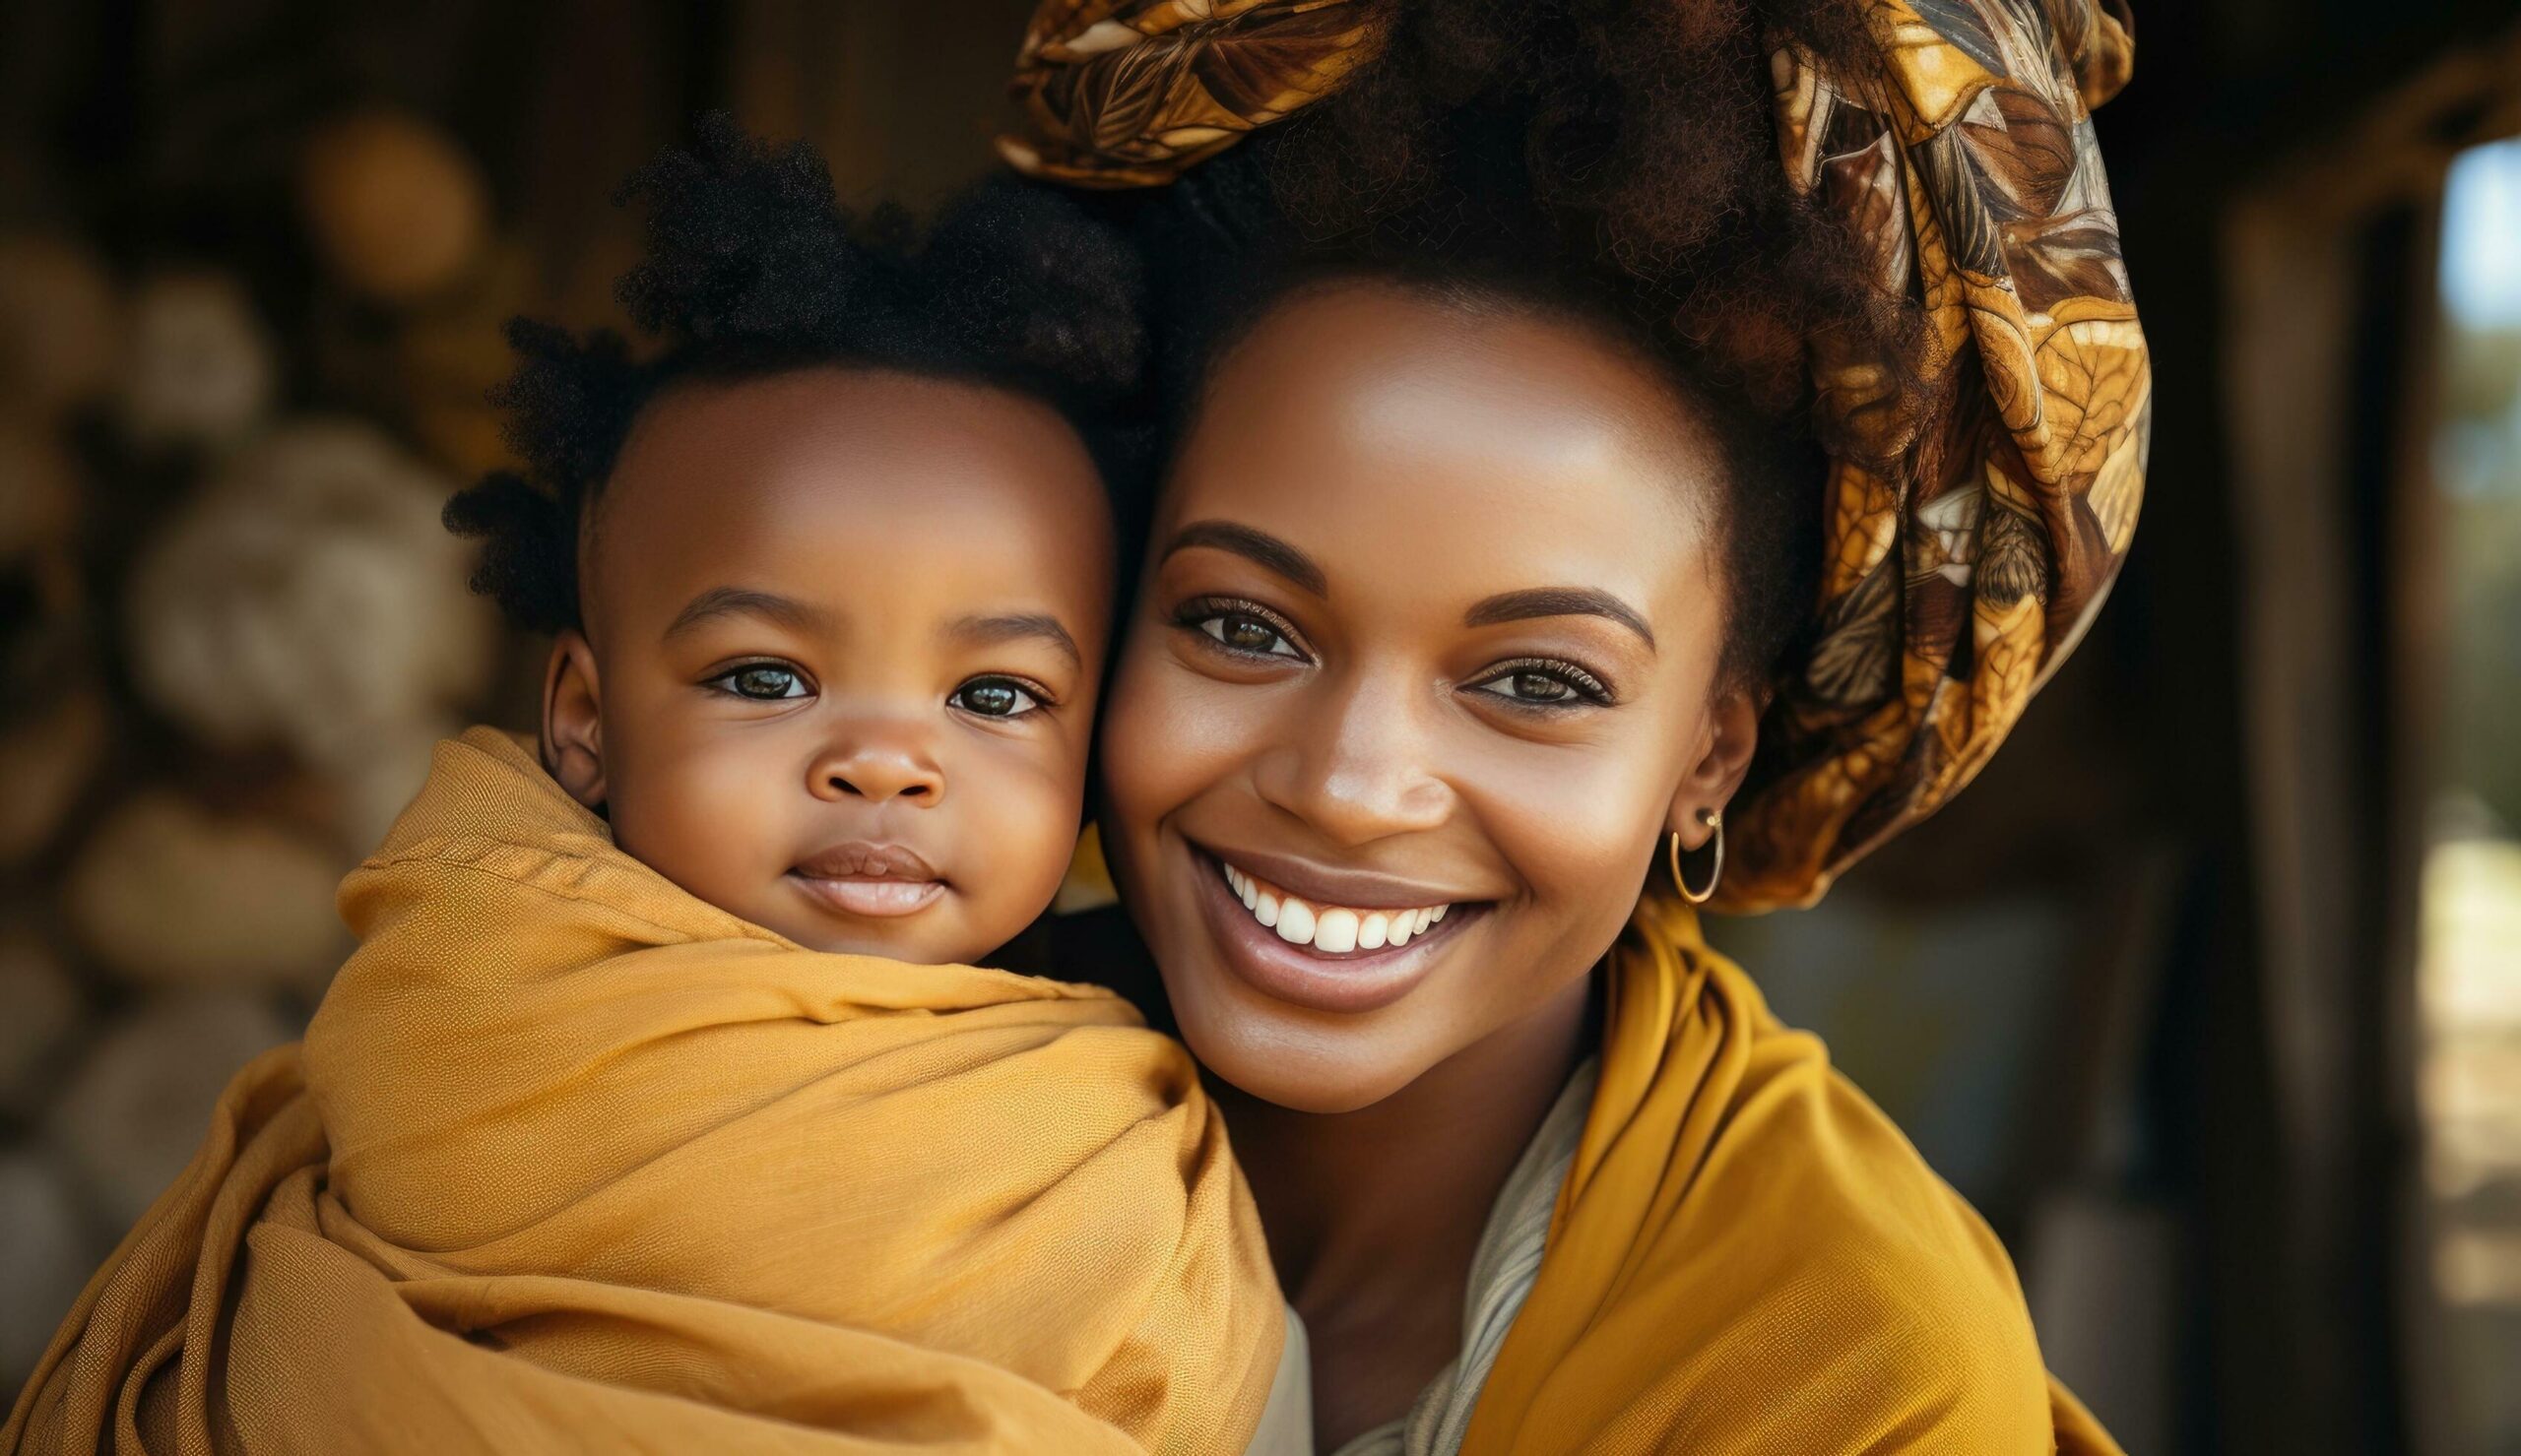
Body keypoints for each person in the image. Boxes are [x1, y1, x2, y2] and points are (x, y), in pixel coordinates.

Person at [4, 117, 1294, 1455]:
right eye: (765, 677)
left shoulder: (1123, 1161)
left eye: (994, 698)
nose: (886, 762)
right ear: (583, 722)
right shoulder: (459, 1017)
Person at [1009, 0, 2150, 1450]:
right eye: (1243, 626)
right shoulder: (810, 1074)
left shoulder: (1854, 1373)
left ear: (1706, 759)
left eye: (1538, 683)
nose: (1353, 787)